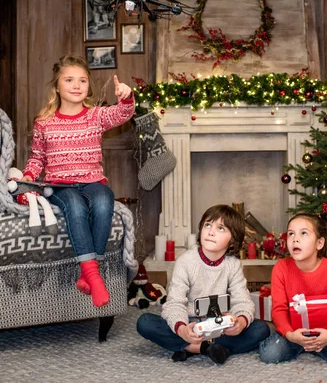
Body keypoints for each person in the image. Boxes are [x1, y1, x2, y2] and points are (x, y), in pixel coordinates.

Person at [20, 55, 135, 307]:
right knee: (76, 208)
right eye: (69, 79)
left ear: (88, 86)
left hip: (92, 181)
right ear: (57, 86)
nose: (76, 85)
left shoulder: (95, 116)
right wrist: (29, 175)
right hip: (60, 185)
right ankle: (94, 277)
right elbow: (38, 156)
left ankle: (87, 275)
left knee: (105, 202)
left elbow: (123, 113)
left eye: (82, 80)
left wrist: (125, 96)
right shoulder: (44, 122)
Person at [136, 205, 270, 364]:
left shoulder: (233, 265)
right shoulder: (186, 262)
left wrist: (239, 323)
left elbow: (242, 301)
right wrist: (182, 329)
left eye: (220, 228)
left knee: (261, 329)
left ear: (232, 240)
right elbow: (175, 303)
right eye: (208, 225)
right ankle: (206, 348)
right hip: (190, 322)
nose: (211, 232)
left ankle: (190, 348)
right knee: (145, 322)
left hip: (219, 325)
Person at [259, 213, 327, 366]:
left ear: (319, 243)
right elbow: (279, 310)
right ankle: (301, 346)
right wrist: (291, 335)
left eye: (304, 233)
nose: (295, 239)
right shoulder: (280, 268)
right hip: (294, 334)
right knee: (269, 354)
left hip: (326, 334)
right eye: (291, 234)